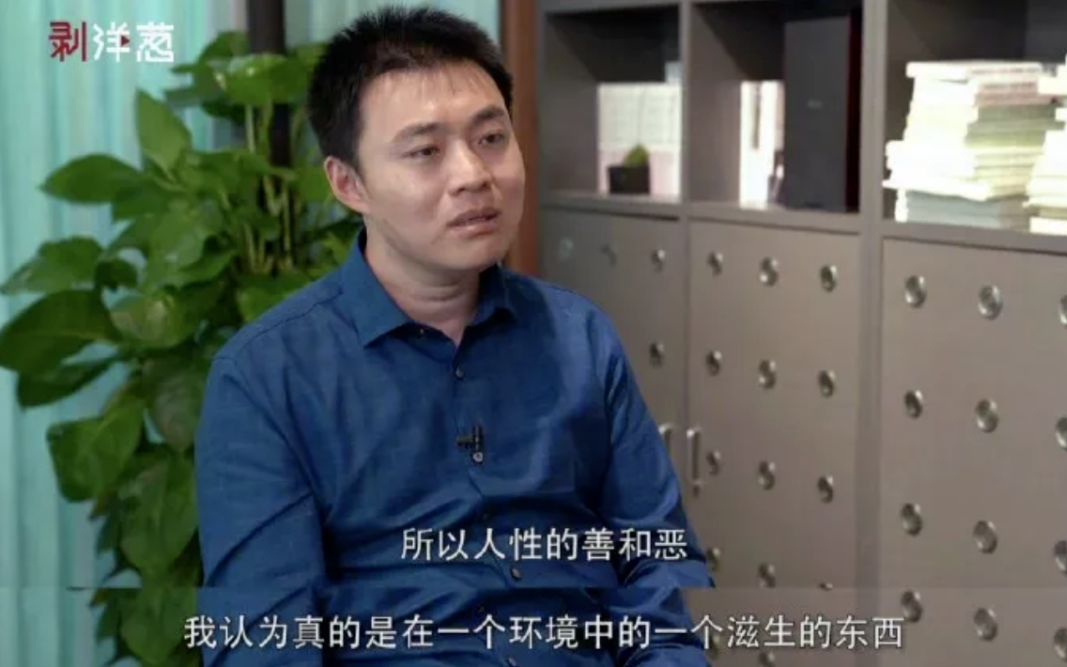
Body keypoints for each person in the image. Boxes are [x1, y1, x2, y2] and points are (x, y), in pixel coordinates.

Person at [194, 5, 713, 666]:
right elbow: (264, 645)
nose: (473, 174)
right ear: (349, 183)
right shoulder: (268, 378)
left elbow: (656, 568)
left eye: (491, 137)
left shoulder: (579, 337)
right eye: (425, 151)